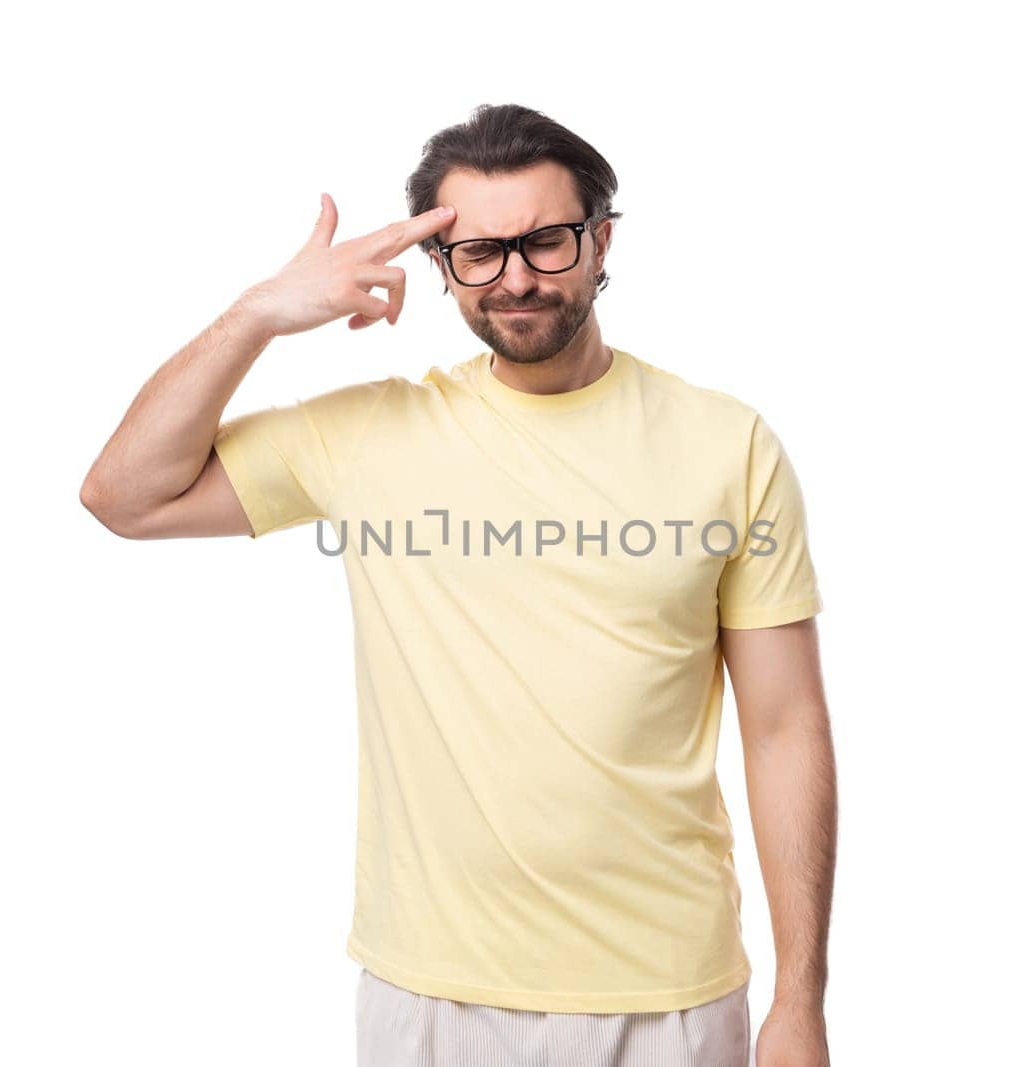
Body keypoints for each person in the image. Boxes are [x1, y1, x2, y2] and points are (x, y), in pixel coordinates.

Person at [80, 103, 837, 1067]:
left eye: (546, 242)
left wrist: (800, 997)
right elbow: (123, 494)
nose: (515, 278)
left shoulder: (728, 444)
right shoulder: (368, 434)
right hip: (428, 1000)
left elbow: (785, 726)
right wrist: (260, 314)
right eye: (478, 251)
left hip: (668, 998)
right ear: (442, 269)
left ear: (602, 241)